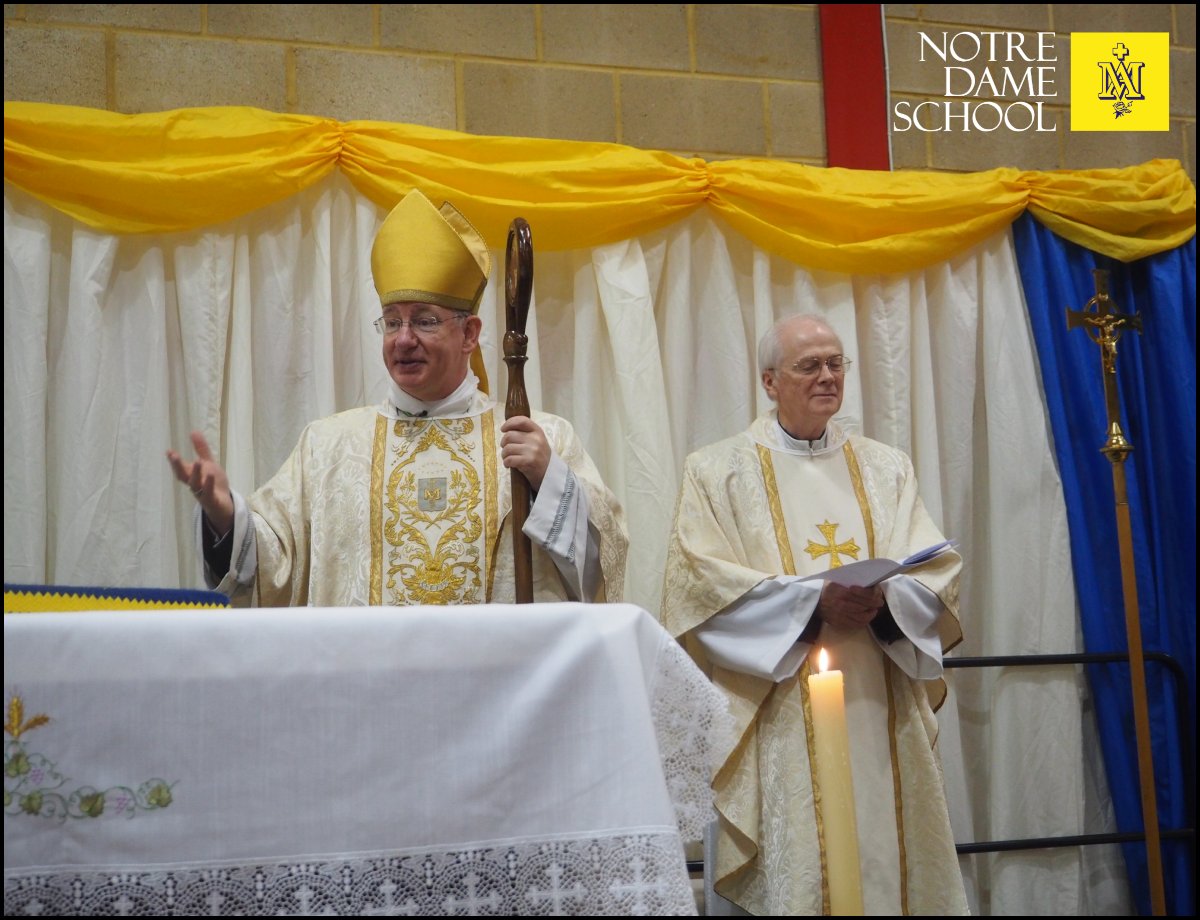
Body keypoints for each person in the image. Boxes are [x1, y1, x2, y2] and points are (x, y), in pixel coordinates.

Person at [167, 189, 627, 606]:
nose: (403, 340)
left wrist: (549, 479)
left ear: (469, 334)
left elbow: (602, 568)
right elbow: (273, 564)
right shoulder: (328, 447)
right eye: (391, 322)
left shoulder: (537, 437)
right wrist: (225, 516)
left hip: (499, 690)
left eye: (424, 320)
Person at [660, 313, 967, 915]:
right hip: (777, 713)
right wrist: (812, 602)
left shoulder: (887, 467)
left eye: (836, 363)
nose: (827, 377)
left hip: (882, 702)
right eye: (809, 366)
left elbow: (935, 570)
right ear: (770, 381)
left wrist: (883, 601)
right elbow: (698, 588)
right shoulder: (716, 471)